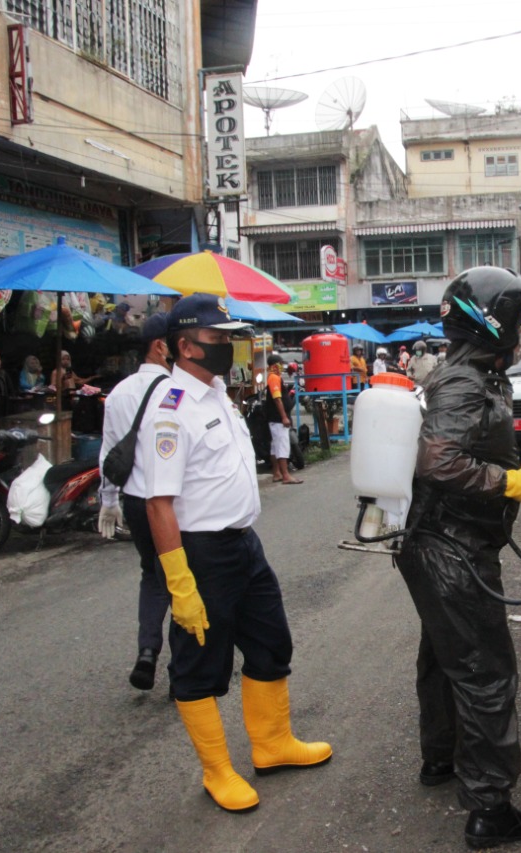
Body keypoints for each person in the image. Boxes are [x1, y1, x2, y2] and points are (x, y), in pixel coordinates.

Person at [141, 293, 330, 814]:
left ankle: (272, 745)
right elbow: (158, 505)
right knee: (200, 662)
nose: (227, 347)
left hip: (244, 543)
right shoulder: (170, 410)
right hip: (201, 554)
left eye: (228, 337)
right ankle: (217, 771)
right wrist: (180, 585)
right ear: (185, 346)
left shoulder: (220, 393)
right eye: (217, 339)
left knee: (272, 642)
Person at [393, 266, 521, 848]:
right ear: (493, 323)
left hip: (438, 545)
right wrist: (508, 484)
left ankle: (441, 760)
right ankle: (490, 809)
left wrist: (513, 472)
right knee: (486, 673)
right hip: (451, 551)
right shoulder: (464, 382)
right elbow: (437, 462)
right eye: (520, 322)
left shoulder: (470, 373)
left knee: (444, 658)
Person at [97, 312, 174, 691]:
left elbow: (109, 453)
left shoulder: (119, 393)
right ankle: (182, 672)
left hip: (133, 500)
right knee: (181, 577)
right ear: (160, 347)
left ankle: (147, 652)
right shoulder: (177, 392)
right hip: (171, 503)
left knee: (151, 574)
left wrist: (108, 500)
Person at [265, 354, 303, 485]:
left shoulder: (275, 377)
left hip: (275, 419)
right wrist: (284, 417)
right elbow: (277, 399)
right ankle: (286, 475)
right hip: (278, 419)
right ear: (275, 365)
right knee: (282, 447)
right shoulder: (274, 378)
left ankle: (277, 473)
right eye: (280, 363)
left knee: (275, 447)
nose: (282, 366)